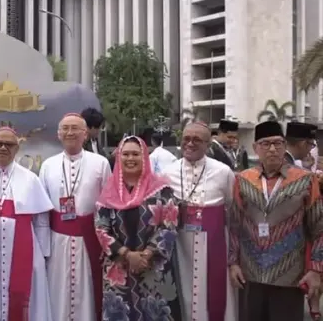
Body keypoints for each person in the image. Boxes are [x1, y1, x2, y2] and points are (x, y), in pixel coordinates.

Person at [228, 120, 323, 320]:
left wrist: (316, 270)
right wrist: (233, 263)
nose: (272, 149)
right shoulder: (243, 180)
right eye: (265, 144)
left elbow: (318, 228)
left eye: (278, 143)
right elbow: (235, 225)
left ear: (285, 146)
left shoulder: (305, 179)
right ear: (255, 148)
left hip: (289, 276)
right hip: (251, 274)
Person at [95, 136, 181, 320]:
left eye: (136, 154)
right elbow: (101, 229)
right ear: (118, 158)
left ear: (145, 158)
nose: (130, 158)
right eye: (125, 154)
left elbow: (169, 225)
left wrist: (146, 255)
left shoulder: (162, 190)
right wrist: (128, 255)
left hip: (153, 268)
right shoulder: (109, 191)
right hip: (118, 268)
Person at [0, 126, 53, 321]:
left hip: (23, 246)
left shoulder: (30, 179)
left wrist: (43, 254)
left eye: (8, 144)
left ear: (17, 149)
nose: (2, 148)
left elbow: (41, 220)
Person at [161, 122, 238, 320]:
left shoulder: (224, 172)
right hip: (180, 246)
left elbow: (232, 210)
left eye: (197, 140)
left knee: (212, 296)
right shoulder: (167, 173)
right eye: (186, 139)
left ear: (208, 144)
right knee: (183, 293)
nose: (190, 143)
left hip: (215, 245)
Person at [40, 112, 112, 321]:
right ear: (58, 134)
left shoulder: (100, 163)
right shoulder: (48, 165)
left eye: (75, 129)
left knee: (88, 291)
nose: (70, 132)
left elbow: (107, 205)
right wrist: (45, 246)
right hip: (57, 241)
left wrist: (105, 243)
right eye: (65, 128)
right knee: (58, 290)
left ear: (85, 134)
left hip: (89, 240)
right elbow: (43, 211)